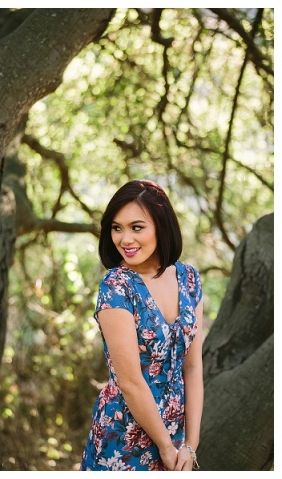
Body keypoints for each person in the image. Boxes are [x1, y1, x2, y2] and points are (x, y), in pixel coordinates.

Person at [80, 180, 203, 471]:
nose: (125, 239)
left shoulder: (189, 278)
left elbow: (193, 366)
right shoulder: (117, 286)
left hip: (177, 434)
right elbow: (131, 382)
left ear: (162, 226)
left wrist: (189, 446)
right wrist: (165, 447)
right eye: (116, 228)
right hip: (123, 436)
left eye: (136, 227)